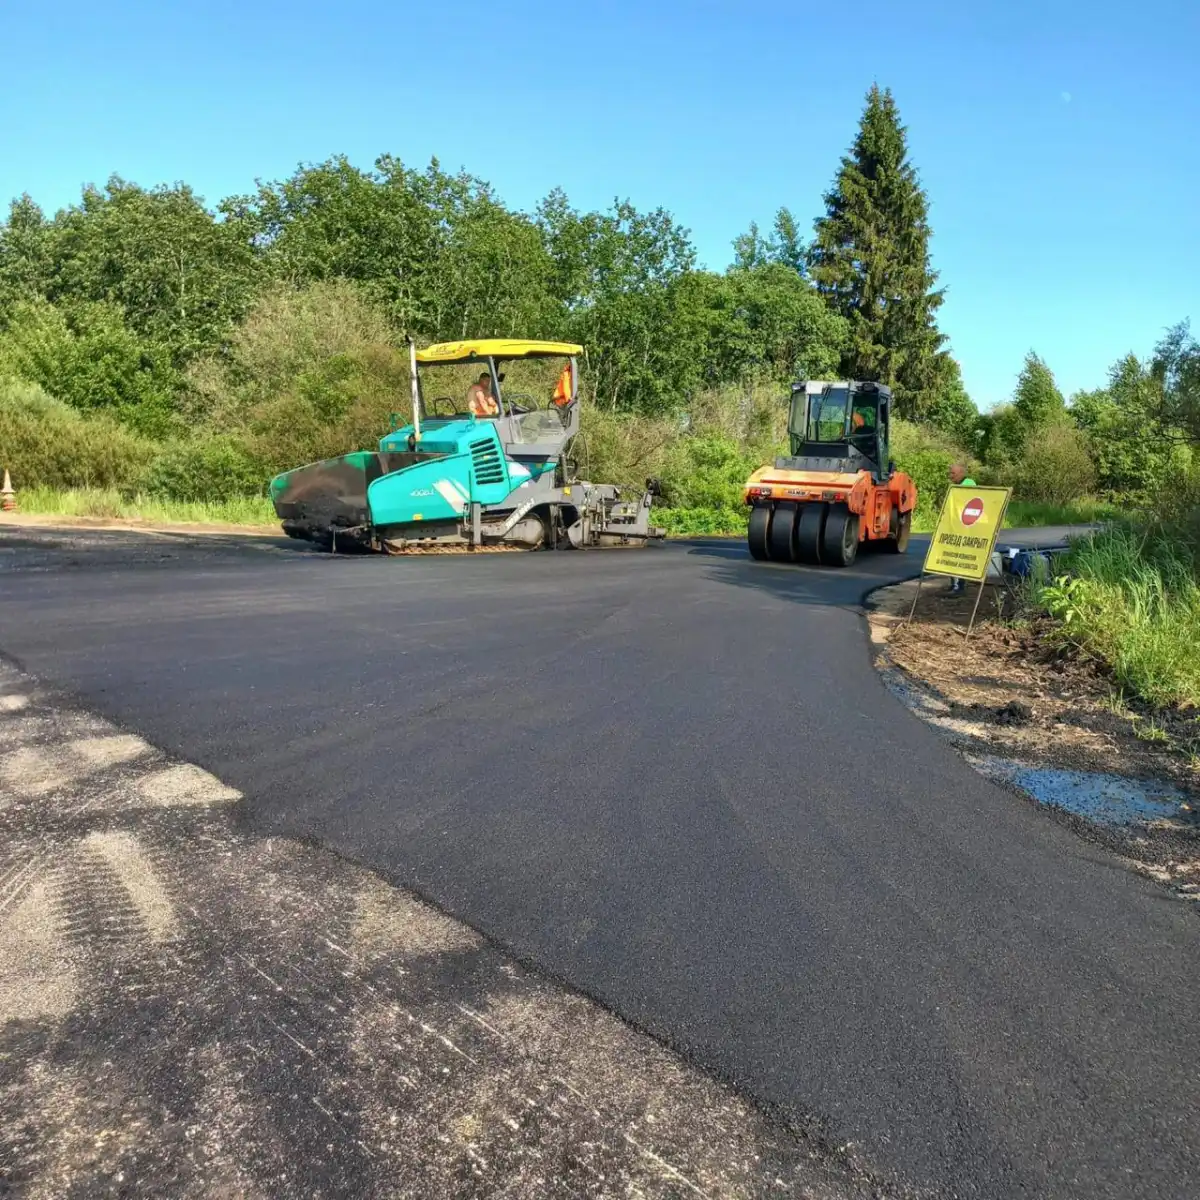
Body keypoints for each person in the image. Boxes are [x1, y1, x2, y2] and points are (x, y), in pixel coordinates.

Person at [947, 462, 977, 593]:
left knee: (960, 556)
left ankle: (959, 585)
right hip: (954, 527)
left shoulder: (968, 484)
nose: (950, 476)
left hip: (964, 528)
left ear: (961, 473)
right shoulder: (956, 486)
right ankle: (954, 583)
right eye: (950, 473)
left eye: (953, 473)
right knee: (952, 556)